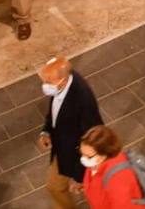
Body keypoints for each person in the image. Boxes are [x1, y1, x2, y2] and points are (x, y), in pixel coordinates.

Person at [38, 56, 104, 208]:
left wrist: (78, 176)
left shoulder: (83, 99)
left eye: (49, 82)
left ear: (63, 79)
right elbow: (55, 109)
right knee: (55, 188)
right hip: (63, 147)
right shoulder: (62, 85)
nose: (45, 85)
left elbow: (93, 136)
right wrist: (46, 131)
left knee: (55, 188)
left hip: (73, 153)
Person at [79, 125, 145, 209]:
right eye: (82, 153)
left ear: (104, 153)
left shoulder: (117, 179)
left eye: (88, 156)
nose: (83, 159)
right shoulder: (96, 162)